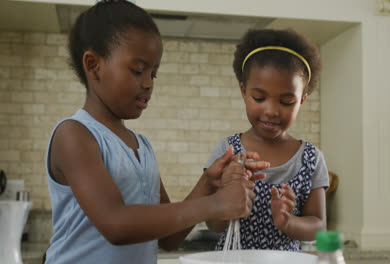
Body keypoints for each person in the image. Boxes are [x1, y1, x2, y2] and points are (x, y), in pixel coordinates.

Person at [44, 1, 269, 263]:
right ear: (93, 65)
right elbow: (116, 225)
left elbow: (169, 238)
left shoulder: (142, 147)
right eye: (138, 70)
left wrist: (208, 183)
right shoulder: (74, 135)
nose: (148, 83)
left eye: (154, 73)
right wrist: (216, 203)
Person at [204, 28, 329, 251]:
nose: (271, 111)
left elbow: (318, 226)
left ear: (302, 100)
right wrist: (227, 195)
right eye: (259, 98)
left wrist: (289, 222)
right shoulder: (227, 151)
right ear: (243, 91)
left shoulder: (311, 158)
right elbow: (213, 224)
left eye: (286, 101)